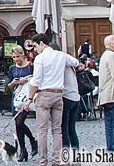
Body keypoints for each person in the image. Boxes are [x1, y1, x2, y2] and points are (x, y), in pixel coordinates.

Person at [22, 33, 79, 166]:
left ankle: (43, 161)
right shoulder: (60, 55)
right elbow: (76, 62)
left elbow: (36, 80)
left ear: (42, 43)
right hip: (58, 95)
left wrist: (30, 98)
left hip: (44, 94)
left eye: (35, 46)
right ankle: (56, 160)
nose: (35, 49)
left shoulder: (40, 58)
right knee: (57, 130)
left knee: (42, 130)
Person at [6, 45, 37, 162]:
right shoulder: (12, 68)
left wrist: (26, 80)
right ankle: (23, 150)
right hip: (16, 97)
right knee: (17, 124)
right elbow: (8, 85)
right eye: (13, 57)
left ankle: (33, 140)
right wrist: (14, 83)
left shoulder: (30, 67)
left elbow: (36, 79)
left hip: (27, 96)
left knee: (20, 122)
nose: (16, 59)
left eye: (17, 57)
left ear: (22, 55)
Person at [58, 44, 82, 152]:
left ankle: (66, 158)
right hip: (75, 97)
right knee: (72, 129)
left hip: (66, 97)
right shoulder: (70, 64)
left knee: (64, 130)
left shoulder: (60, 65)